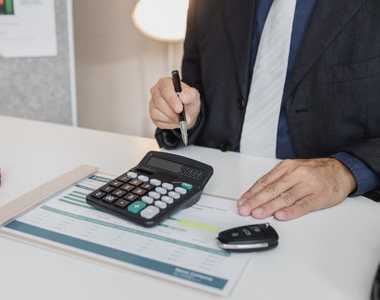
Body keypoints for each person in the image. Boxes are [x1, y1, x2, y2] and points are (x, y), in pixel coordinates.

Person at [149, 0, 380, 220]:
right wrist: (187, 115)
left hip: (332, 212)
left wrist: (343, 172)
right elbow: (197, 93)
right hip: (212, 196)